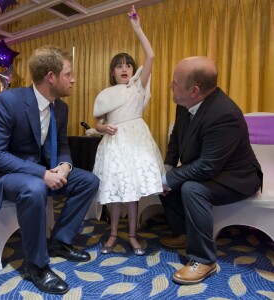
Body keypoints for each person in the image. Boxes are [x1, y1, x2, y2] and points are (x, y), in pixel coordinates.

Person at [0, 45, 99, 294]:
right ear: (51, 77)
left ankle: (60, 241)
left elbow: (62, 146)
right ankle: (37, 266)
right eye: (68, 73)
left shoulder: (60, 108)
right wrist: (42, 174)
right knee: (34, 187)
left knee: (89, 181)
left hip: (39, 172)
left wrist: (64, 166)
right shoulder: (6, 102)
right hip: (1, 176)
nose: (73, 79)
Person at [160, 56, 263, 285]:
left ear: (195, 90)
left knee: (191, 188)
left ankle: (204, 260)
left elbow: (207, 166)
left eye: (175, 82)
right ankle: (182, 234)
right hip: (211, 168)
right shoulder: (183, 103)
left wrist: (168, 178)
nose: (170, 86)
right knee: (164, 178)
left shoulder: (224, 114)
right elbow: (176, 138)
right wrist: (166, 169)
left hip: (238, 177)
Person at [92, 5, 165, 256]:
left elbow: (152, 56)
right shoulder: (105, 95)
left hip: (135, 142)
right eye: (119, 66)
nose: (124, 69)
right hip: (114, 144)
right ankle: (113, 235)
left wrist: (137, 28)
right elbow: (97, 124)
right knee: (113, 192)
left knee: (132, 193)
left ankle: (132, 236)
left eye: (128, 66)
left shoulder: (137, 87)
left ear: (134, 70)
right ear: (112, 72)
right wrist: (104, 127)